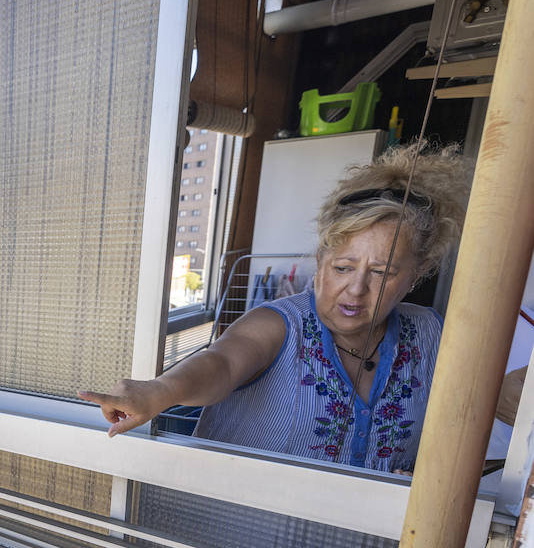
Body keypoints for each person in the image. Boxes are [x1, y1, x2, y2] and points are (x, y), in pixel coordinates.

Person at [80, 141, 470, 473]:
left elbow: (461, 415)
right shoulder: (280, 325)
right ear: (320, 260)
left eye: (382, 273)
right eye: (343, 267)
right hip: (234, 546)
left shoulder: (429, 333)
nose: (356, 289)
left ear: (418, 274)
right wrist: (160, 390)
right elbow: (223, 362)